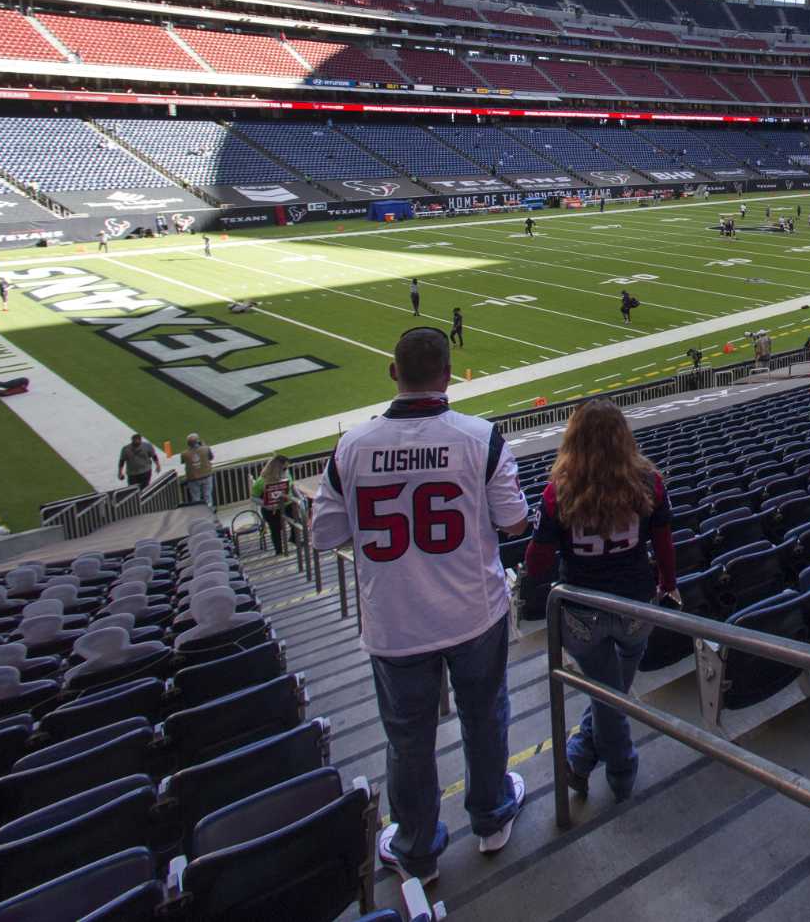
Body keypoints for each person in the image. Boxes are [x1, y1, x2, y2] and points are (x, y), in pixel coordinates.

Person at [312, 326, 531, 883]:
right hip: (473, 610)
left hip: (395, 621)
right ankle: (490, 818)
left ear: (392, 372)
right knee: (484, 717)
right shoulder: (480, 438)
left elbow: (323, 535)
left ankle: (417, 850)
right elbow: (514, 521)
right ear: (450, 374)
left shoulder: (351, 446)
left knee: (408, 738)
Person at [522, 400, 676, 801]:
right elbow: (663, 545)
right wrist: (668, 583)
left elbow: (536, 563)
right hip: (634, 607)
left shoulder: (559, 491)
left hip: (581, 613)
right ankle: (599, 763)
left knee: (608, 695)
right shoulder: (649, 482)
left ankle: (601, 763)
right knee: (612, 693)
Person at [250, 455, 294, 556]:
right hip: (271, 510)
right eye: (284, 468)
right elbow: (253, 497)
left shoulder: (287, 475)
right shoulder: (261, 481)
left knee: (296, 523)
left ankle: (293, 540)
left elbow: (292, 486)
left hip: (287, 505)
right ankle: (279, 551)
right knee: (276, 530)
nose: (286, 470)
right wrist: (266, 504)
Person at [179, 433, 215, 507]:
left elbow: (183, 461)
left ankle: (198, 514)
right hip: (206, 476)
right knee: (208, 496)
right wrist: (203, 445)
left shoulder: (184, 454)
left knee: (196, 498)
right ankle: (210, 513)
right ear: (198, 441)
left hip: (193, 478)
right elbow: (211, 457)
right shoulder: (205, 448)